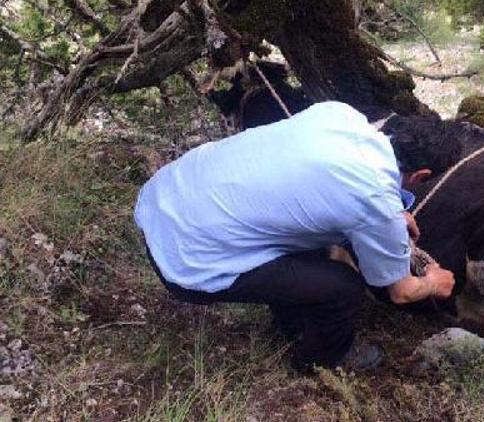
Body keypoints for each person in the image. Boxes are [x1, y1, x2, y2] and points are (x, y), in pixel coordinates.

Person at [134, 101, 459, 371]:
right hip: (188, 260)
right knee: (343, 286)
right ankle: (321, 361)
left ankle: (292, 324)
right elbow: (401, 291)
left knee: (306, 237)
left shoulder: (339, 114)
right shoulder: (375, 202)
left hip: (162, 201)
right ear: (421, 176)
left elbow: (315, 182)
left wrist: (389, 213)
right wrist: (434, 282)